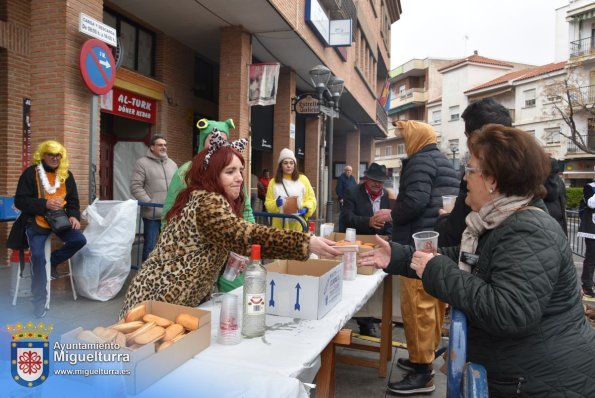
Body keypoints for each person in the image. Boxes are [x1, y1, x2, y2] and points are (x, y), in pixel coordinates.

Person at [360, 124, 595, 397]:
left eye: (469, 169)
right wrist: (399, 256)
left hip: (544, 382)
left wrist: (436, 270)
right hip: (523, 373)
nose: (464, 179)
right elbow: (466, 258)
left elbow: (509, 312)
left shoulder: (528, 229)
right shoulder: (504, 220)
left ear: (492, 180)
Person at [120, 132, 341, 317]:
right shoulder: (208, 202)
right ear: (211, 176)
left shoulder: (206, 198)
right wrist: (305, 242)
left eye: (240, 171)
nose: (239, 178)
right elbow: (246, 235)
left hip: (175, 302)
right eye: (230, 172)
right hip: (157, 302)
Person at [389, 120, 459, 394]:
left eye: (405, 136)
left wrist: (392, 214)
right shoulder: (444, 163)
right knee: (433, 306)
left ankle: (422, 373)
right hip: (438, 244)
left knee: (417, 308)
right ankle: (425, 357)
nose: (404, 142)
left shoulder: (419, 161)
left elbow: (415, 202)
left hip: (416, 245)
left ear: (416, 138)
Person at [160, 118, 254, 293]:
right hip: (196, 252)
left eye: (224, 141)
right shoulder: (186, 172)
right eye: (213, 140)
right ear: (203, 142)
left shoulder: (233, 172)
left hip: (230, 250)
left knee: (233, 296)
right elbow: (170, 213)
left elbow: (245, 208)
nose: (218, 146)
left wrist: (248, 244)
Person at [12, 140, 87, 318]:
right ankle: (39, 300)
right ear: (43, 155)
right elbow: (20, 201)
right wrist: (44, 203)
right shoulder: (30, 173)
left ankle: (52, 261)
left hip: (60, 220)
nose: (54, 158)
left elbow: (74, 201)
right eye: (50, 154)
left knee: (79, 240)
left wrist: (74, 215)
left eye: (58, 155)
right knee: (37, 256)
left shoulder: (66, 175)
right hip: (36, 220)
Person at [435, 98, 512, 246]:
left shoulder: (521, 227)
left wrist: (444, 219)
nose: (466, 177)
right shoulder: (529, 181)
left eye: (470, 171)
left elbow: (454, 238)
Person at [340, 162, 392, 337]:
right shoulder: (352, 192)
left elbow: (391, 222)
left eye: (381, 181)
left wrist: (389, 236)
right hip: (358, 244)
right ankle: (364, 323)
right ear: (366, 179)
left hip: (380, 244)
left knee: (377, 285)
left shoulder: (386, 197)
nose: (378, 184)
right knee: (357, 284)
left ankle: (370, 318)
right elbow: (347, 218)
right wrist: (368, 221)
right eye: (374, 180)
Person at [130, 134, 177, 261]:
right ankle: (144, 277)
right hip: (152, 215)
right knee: (150, 247)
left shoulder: (172, 164)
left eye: (165, 145)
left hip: (169, 214)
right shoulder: (142, 163)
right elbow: (135, 186)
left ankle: (163, 275)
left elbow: (178, 187)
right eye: (160, 145)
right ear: (152, 147)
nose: (163, 147)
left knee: (168, 246)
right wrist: (150, 203)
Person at [264, 148, 316, 231]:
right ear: (281, 165)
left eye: (291, 163)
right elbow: (268, 203)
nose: (289, 165)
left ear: (294, 165)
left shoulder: (303, 179)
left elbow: (311, 199)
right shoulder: (273, 182)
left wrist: (306, 208)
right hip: (279, 228)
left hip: (299, 225)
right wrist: (276, 204)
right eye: (285, 163)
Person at [578, 174, 595, 298]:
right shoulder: (590, 187)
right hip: (591, 228)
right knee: (591, 257)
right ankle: (587, 286)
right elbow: (591, 203)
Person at [543, 157, 568, 235]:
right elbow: (563, 198)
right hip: (559, 221)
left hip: (546, 222)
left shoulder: (539, 180)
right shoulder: (559, 181)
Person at [336, 165, 356, 231]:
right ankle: (341, 230)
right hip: (343, 199)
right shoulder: (341, 178)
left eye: (350, 171)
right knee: (343, 214)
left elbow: (355, 188)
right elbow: (339, 189)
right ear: (345, 171)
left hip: (351, 199)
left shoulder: (352, 178)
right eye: (347, 170)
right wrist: (341, 198)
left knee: (350, 213)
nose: (349, 172)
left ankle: (347, 229)